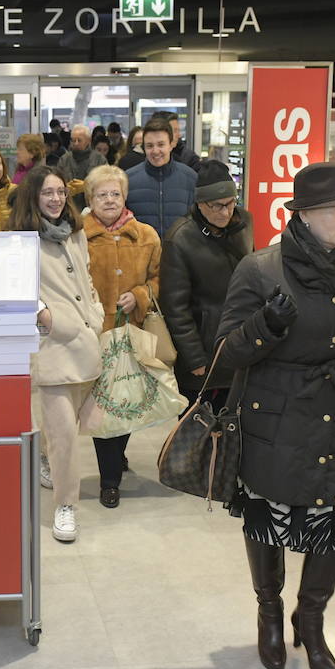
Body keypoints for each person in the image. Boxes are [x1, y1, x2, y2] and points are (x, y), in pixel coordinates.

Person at [216, 161, 335, 669]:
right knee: (270, 521)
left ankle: (311, 620)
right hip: (275, 418)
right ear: (307, 215)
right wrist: (266, 326)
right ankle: (270, 613)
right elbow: (226, 354)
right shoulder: (260, 269)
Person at [12, 166, 103, 543]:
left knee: (78, 428)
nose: (55, 199)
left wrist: (96, 316)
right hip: (52, 347)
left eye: (61, 192)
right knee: (64, 433)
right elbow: (13, 287)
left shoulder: (75, 233)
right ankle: (67, 506)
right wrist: (43, 315)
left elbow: (87, 279)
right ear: (33, 197)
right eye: (47, 193)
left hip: (86, 341)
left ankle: (46, 460)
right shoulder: (21, 240)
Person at [82, 164, 160, 509]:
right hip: (93, 334)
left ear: (125, 196)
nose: (109, 200)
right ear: (90, 199)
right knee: (102, 407)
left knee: (126, 400)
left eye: (115, 193)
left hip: (132, 333)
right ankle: (109, 480)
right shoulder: (78, 238)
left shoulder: (147, 236)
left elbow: (160, 280)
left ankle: (118, 455)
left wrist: (140, 295)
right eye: (102, 194)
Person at [160, 160, 252, 406]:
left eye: (231, 203)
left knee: (238, 433)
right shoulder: (180, 238)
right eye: (217, 206)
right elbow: (175, 307)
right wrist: (194, 359)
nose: (226, 212)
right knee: (197, 434)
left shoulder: (244, 224)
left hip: (242, 344)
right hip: (204, 353)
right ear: (200, 204)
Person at [126, 117, 199, 239]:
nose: (155, 151)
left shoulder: (190, 178)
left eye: (161, 144)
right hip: (142, 255)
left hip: (179, 255)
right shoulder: (128, 179)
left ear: (171, 145)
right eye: (149, 146)